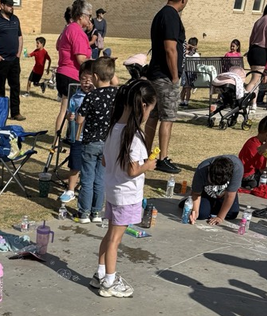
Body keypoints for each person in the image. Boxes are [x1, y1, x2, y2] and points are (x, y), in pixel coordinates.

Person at [86, 80, 157, 298]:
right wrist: (148, 165)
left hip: (113, 190)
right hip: (126, 195)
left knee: (110, 235)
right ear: (143, 106)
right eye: (150, 110)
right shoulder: (133, 136)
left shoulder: (113, 129)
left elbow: (106, 162)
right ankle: (109, 281)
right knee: (116, 239)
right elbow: (132, 170)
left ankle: (100, 274)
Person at [145, 0, 189, 175]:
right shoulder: (170, 15)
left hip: (156, 74)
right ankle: (163, 158)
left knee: (153, 115)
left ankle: (147, 153)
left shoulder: (161, 14)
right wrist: (175, 76)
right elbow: (170, 48)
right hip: (165, 75)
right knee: (167, 117)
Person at [74, 56, 118, 224]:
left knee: (87, 178)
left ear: (95, 77)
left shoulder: (91, 96)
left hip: (91, 142)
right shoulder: (116, 94)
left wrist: (78, 113)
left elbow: (79, 120)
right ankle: (97, 212)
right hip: (108, 143)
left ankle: (84, 213)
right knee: (100, 179)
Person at [54, 1, 93, 135]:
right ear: (81, 16)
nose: (89, 19)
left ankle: (58, 140)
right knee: (76, 110)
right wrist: (99, 64)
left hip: (63, 73)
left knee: (65, 109)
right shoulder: (77, 31)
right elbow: (81, 59)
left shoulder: (68, 28)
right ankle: (74, 139)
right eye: (89, 16)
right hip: (72, 75)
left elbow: (58, 45)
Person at [59, 60, 95, 203]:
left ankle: (88, 190)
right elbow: (69, 114)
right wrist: (70, 116)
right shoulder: (75, 97)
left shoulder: (98, 96)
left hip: (93, 138)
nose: (86, 83)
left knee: (91, 166)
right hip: (77, 136)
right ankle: (70, 189)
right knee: (75, 164)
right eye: (83, 79)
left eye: (90, 79)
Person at [0, 0, 25, 121]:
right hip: (0, 60)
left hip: (14, 60)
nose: (11, 7)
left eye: (12, 5)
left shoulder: (15, 19)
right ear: (2, 6)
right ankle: (1, 113)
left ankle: (15, 112)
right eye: (8, 5)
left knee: (15, 87)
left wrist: (18, 53)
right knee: (0, 87)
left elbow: (20, 36)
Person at [184, 155, 243, 224]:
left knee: (232, 214)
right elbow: (196, 193)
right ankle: (187, 201)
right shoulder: (201, 170)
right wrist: (195, 212)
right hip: (206, 193)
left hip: (224, 194)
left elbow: (230, 195)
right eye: (212, 182)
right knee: (201, 214)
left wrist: (220, 217)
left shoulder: (237, 168)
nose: (215, 186)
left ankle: (212, 207)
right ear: (209, 170)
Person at [245, 1, 267, 103]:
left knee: (256, 80)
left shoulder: (259, 20)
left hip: (253, 51)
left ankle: (253, 105)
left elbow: (251, 38)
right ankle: (243, 103)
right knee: (254, 80)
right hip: (261, 52)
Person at [238, 115, 267, 189]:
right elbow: (261, 169)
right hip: (247, 175)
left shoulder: (253, 141)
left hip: (242, 172)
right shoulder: (261, 148)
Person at [179, 36, 200, 107]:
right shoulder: (196, 55)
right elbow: (198, 64)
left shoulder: (185, 55)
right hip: (191, 73)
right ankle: (185, 101)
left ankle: (183, 101)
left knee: (185, 88)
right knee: (187, 88)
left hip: (186, 73)